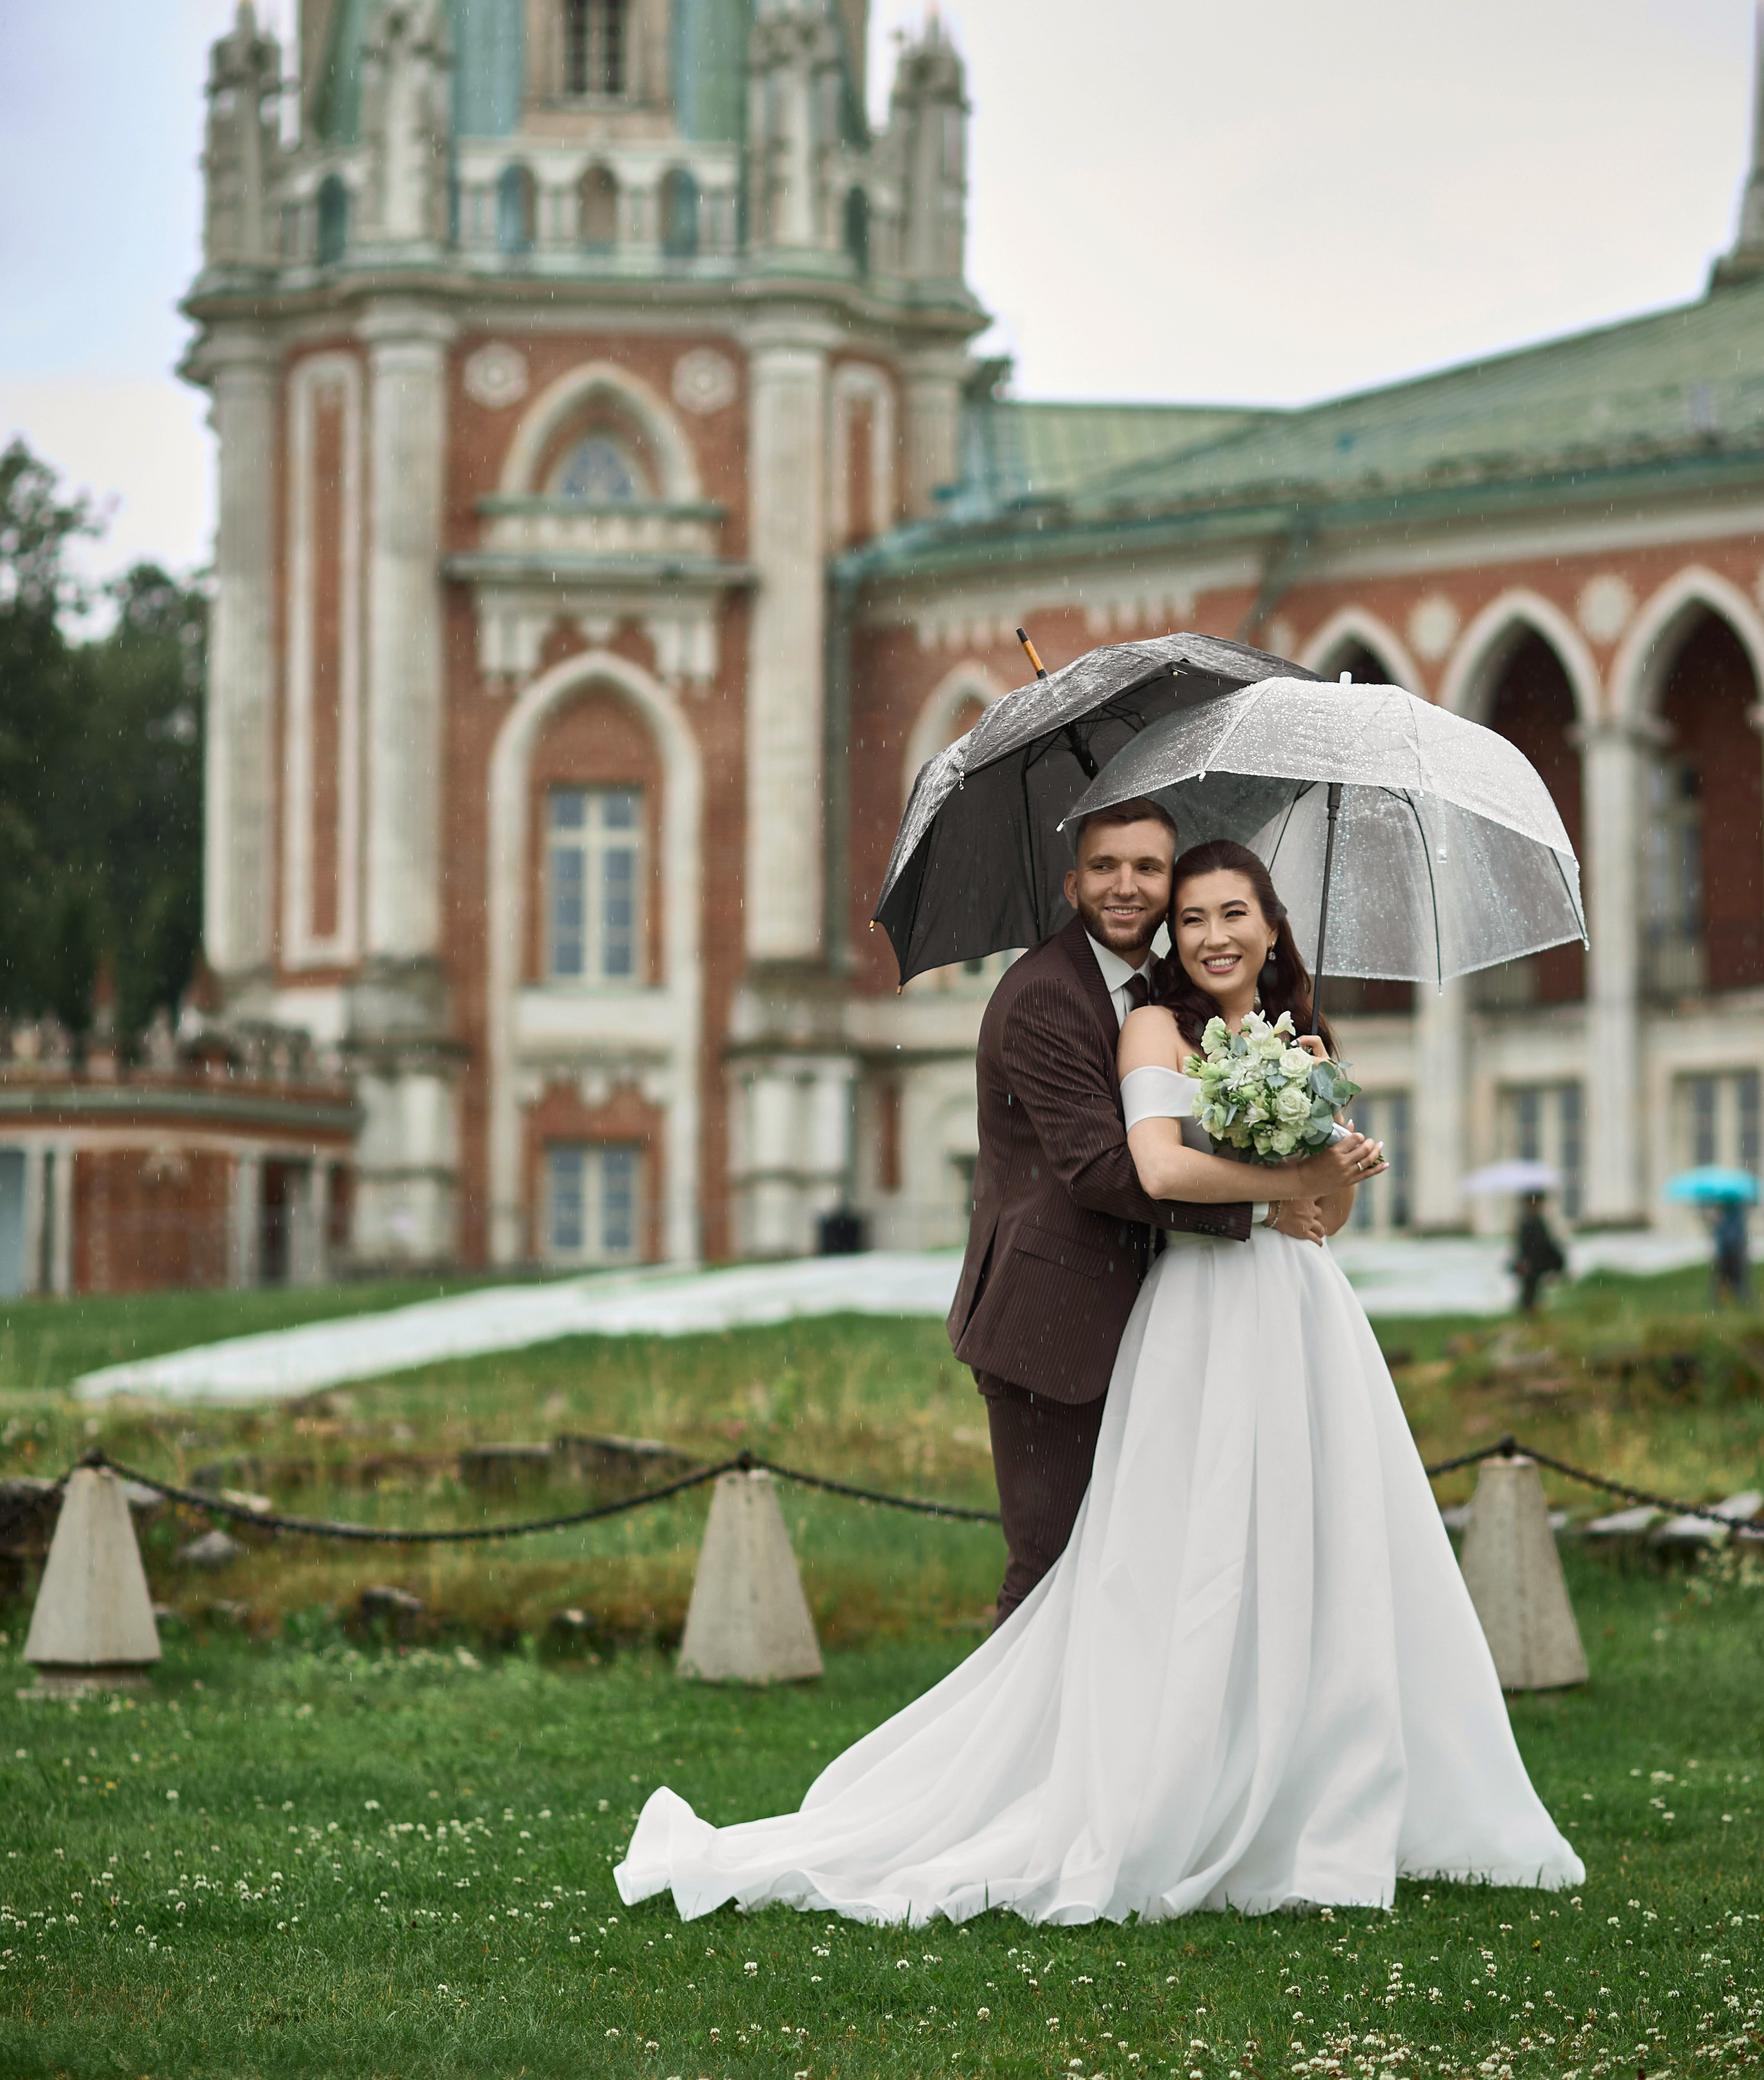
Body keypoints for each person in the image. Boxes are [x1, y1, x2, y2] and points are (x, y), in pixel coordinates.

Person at [616, 837, 1582, 1924]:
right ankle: (1052, 1789)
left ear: (1272, 928)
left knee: (1303, 1557)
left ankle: (1294, 1788)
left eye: (1231, 912)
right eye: (1195, 913)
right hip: (1167, 1314)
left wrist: (1331, 1172)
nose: (1211, 932)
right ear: (1089, 886)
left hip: (1299, 1319)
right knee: (1125, 1570)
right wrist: (1283, 1182)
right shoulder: (1128, 1019)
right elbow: (1143, 1168)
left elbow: (1324, 1224)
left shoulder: (1295, 1041)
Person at [944, 797, 1346, 1623]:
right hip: (1051, 1325)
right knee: (1050, 1578)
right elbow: (1101, 1169)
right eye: (1103, 867)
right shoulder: (1045, 995)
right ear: (1070, 882)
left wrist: (1316, 1110)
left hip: (1159, 1320)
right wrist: (1269, 1208)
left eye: (1147, 868)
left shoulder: (1166, 997)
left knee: (1147, 1574)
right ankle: (1019, 1754)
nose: (1125, 886)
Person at [1510, 1193, 1567, 1314]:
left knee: (1533, 1290)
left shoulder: (1534, 1221)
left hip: (1535, 1262)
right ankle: (1529, 1314)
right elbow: (1527, 1245)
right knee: (1529, 1290)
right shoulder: (1528, 1222)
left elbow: (1543, 1243)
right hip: (1532, 1262)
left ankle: (1531, 1313)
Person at [1711, 1197, 1752, 1307]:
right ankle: (1723, 1302)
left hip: (1732, 1247)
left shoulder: (1734, 1212)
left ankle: (1742, 1301)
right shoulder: (1731, 1212)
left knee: (1735, 1277)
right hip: (1728, 1248)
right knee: (1727, 1277)